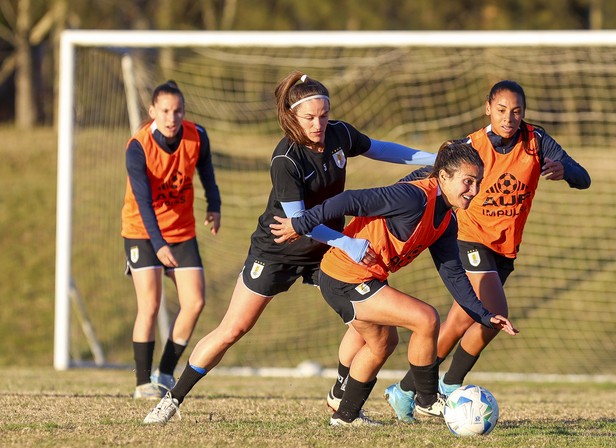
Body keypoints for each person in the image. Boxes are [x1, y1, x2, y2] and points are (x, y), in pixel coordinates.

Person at [142, 70, 436, 424]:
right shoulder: (286, 159)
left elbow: (379, 149)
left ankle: (341, 397)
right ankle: (172, 400)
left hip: (325, 253)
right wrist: (346, 242)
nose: (319, 124)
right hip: (278, 250)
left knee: (368, 322)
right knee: (233, 329)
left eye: (323, 115)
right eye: (310, 117)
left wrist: (432, 158)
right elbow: (299, 223)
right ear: (293, 117)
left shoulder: (339, 134)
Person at [270, 140, 519, 427]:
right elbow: (348, 199)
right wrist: (302, 223)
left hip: (361, 278)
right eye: (467, 181)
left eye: (478, 183)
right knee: (425, 318)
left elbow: (453, 275)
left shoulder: (447, 219)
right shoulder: (412, 198)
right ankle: (426, 399)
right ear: (443, 177)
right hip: (343, 276)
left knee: (382, 343)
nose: (474, 191)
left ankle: (346, 415)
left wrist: (484, 315)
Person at [384, 79, 591, 422]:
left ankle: (405, 390)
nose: (509, 118)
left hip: (504, 249)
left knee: (460, 320)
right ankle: (450, 386)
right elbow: (434, 173)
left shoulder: (537, 141)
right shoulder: (473, 145)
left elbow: (584, 178)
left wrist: (565, 170)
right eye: (501, 110)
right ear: (487, 109)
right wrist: (390, 197)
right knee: (494, 312)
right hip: (468, 237)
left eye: (516, 111)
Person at [122, 80, 222, 399]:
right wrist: (159, 244)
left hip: (181, 232)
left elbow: (206, 170)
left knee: (194, 303)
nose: (171, 117)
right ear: (153, 112)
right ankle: (142, 384)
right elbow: (142, 201)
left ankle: (164, 373)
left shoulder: (197, 136)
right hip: (142, 232)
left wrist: (214, 205)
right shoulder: (138, 146)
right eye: (165, 110)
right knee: (149, 305)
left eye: (177, 110)